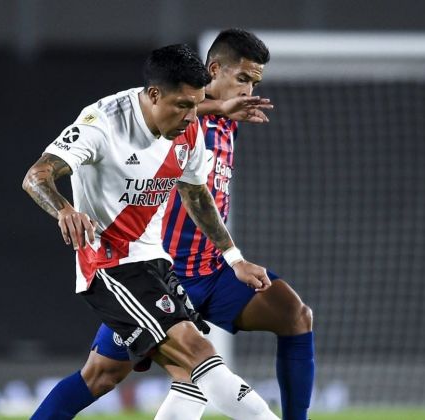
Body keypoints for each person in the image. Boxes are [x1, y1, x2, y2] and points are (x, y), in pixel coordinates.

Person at [32, 29, 315, 420]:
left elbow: (196, 194)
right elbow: (38, 174)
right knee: (183, 360)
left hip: (164, 266)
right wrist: (64, 209)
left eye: (196, 106)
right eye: (243, 79)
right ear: (154, 95)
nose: (190, 116)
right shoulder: (103, 123)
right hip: (114, 265)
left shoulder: (193, 125)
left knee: (179, 378)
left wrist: (234, 258)